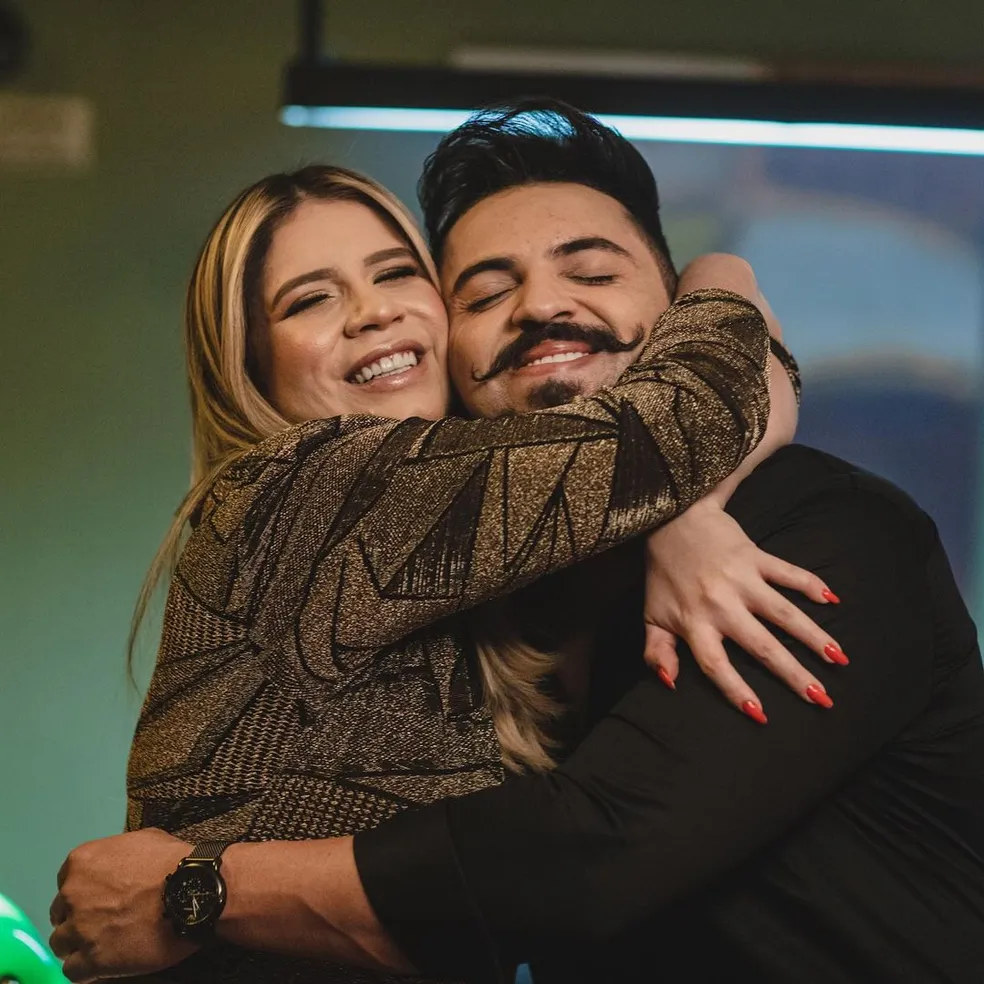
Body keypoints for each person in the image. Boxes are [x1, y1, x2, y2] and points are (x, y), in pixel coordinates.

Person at [49, 104, 871, 982]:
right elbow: (698, 411)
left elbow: (712, 411)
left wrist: (682, 513)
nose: (371, 313)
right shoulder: (308, 485)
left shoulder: (475, 557)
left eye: (395, 274)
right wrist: (722, 270)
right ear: (250, 362)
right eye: (311, 300)